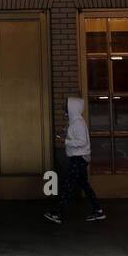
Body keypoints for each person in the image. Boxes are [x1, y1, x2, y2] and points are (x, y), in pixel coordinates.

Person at [44, 95, 105, 224]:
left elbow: (82, 141)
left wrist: (65, 141)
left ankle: (58, 213)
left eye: (66, 105)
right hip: (79, 158)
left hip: (78, 158)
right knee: (83, 185)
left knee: (68, 185)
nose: (64, 107)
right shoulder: (75, 121)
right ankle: (98, 210)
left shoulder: (78, 123)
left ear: (72, 108)